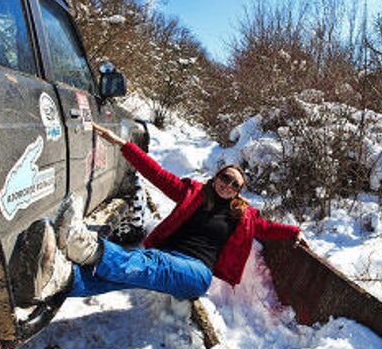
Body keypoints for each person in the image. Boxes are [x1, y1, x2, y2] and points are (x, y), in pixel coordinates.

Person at [20, 123, 307, 304]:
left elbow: (269, 228)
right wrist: (124, 146)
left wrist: (296, 233)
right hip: (168, 256)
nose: (228, 185)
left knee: (152, 263)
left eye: (235, 184)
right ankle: (61, 280)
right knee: (126, 274)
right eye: (225, 178)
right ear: (216, 178)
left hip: (196, 273)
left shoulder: (243, 215)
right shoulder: (192, 193)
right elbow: (156, 174)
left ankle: (89, 248)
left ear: (239, 192)